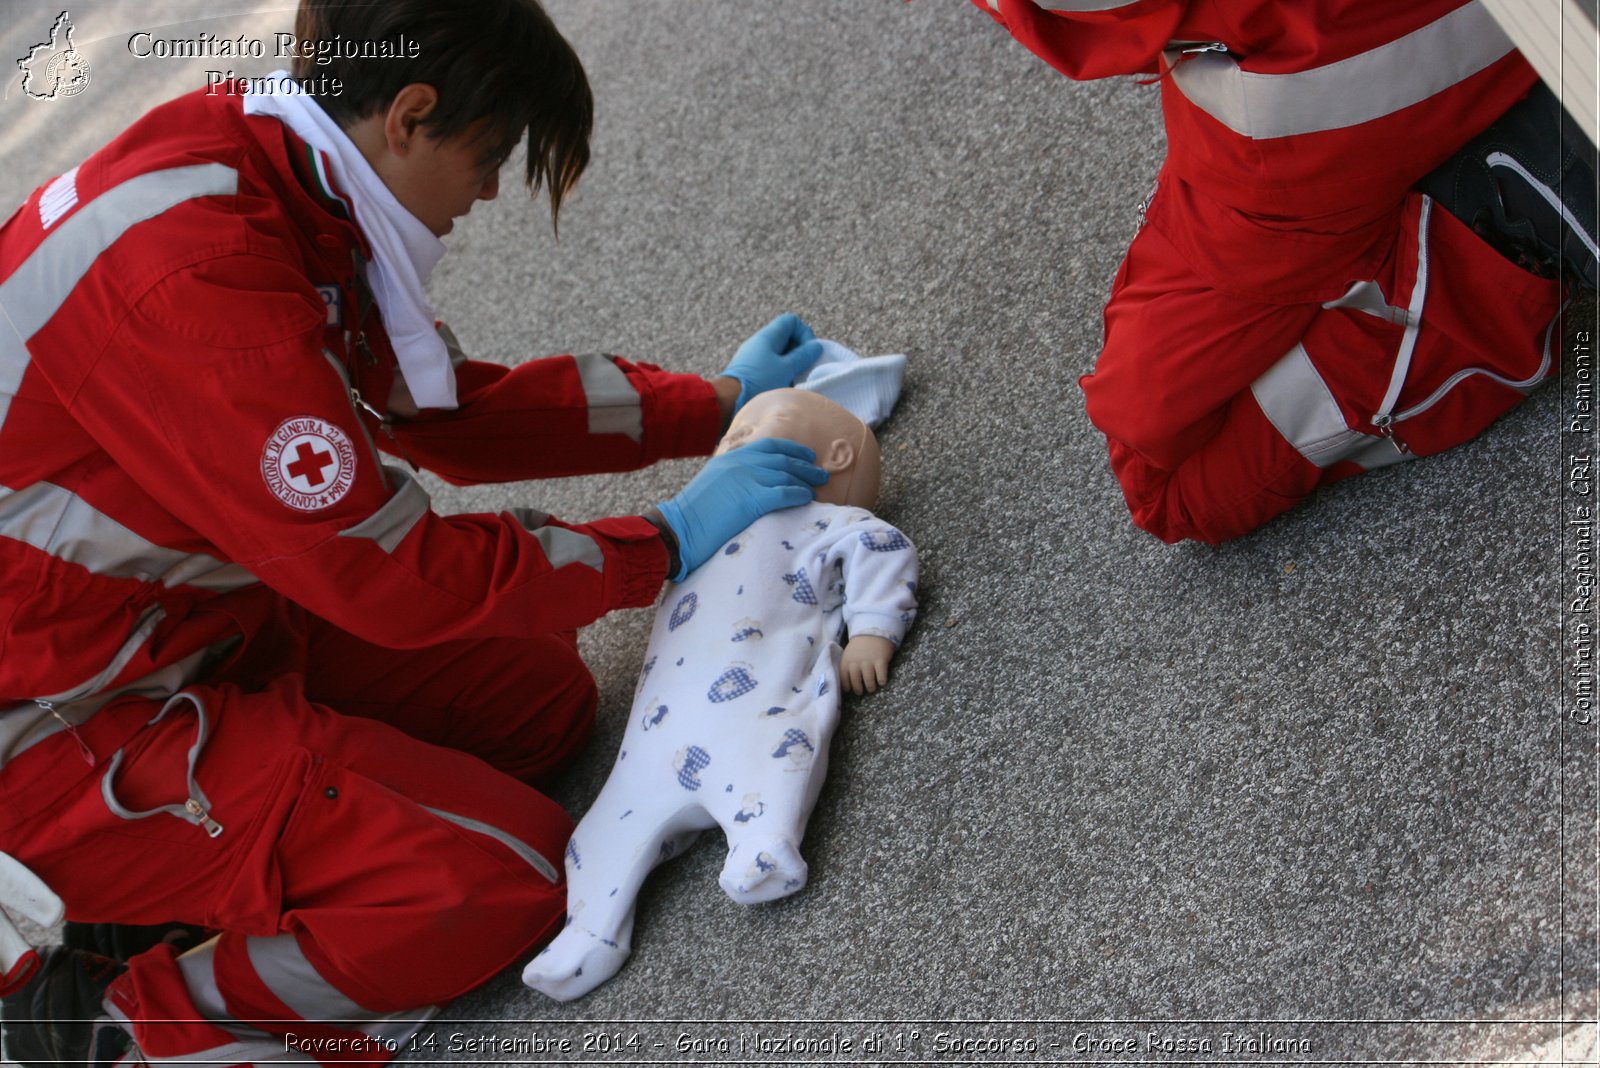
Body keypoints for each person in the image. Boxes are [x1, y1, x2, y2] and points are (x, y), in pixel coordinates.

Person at [0, 1, 831, 1063]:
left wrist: (708, 403)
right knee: (502, 881)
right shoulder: (196, 276)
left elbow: (432, 408)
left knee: (539, 702)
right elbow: (388, 575)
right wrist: (659, 543)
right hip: (56, 730)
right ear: (411, 113)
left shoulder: (263, 169)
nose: (488, 193)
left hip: (173, 629)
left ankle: (152, 891)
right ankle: (91, 1029)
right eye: (490, 157)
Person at [970, 0, 1597, 543]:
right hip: (1282, 98)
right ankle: (1480, 203)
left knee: (1165, 480)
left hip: (1299, 106)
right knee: (1159, 459)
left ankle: (1496, 215)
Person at [522, 388, 918, 1002]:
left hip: (749, 701)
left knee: (776, 749)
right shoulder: (704, 532)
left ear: (837, 452)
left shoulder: (829, 522)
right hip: (655, 730)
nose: (734, 437)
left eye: (761, 423)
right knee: (608, 824)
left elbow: (883, 552)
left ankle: (761, 845)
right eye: (731, 430)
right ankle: (587, 932)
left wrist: (872, 632)